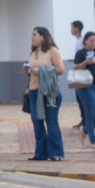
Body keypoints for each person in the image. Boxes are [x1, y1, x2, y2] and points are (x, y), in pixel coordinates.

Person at [23, 27, 65, 161]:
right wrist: (27, 70)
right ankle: (40, 153)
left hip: (49, 92)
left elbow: (61, 69)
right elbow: (31, 72)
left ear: (42, 36)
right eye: (31, 35)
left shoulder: (52, 50)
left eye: (34, 35)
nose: (32, 37)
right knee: (37, 123)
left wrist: (40, 70)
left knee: (51, 123)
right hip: (34, 91)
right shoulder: (32, 51)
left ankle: (55, 153)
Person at [70, 20, 85, 130]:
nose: (71, 30)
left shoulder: (81, 41)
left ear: (77, 29)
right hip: (77, 72)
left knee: (81, 97)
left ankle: (85, 121)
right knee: (78, 97)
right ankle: (83, 119)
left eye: (72, 28)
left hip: (80, 73)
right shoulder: (77, 41)